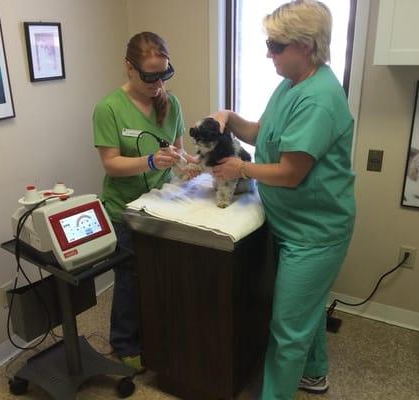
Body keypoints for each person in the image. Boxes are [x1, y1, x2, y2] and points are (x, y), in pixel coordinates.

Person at [211, 1, 356, 399]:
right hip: (291, 223)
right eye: (268, 44)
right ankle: (314, 374)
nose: (268, 53)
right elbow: (263, 133)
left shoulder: (319, 97)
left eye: (276, 45)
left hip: (315, 233)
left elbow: (291, 173)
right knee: (304, 310)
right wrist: (228, 115)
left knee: (287, 328)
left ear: (306, 45)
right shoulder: (290, 83)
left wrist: (239, 170)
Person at [92, 31, 193, 373]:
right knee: (131, 280)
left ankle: (158, 335)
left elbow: (178, 152)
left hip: (162, 205)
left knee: (163, 276)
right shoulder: (109, 109)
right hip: (126, 211)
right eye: (149, 76)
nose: (157, 83)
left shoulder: (172, 103)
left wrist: (191, 164)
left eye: (164, 74)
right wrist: (149, 161)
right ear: (129, 69)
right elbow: (111, 164)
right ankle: (124, 344)